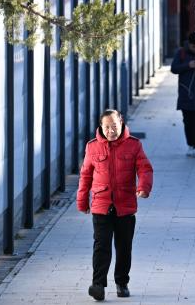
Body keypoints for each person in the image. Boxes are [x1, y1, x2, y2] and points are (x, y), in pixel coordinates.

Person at [77, 109, 153, 301]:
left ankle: (122, 282)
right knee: (101, 246)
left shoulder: (134, 145)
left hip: (125, 205)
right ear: (101, 127)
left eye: (114, 126)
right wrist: (82, 200)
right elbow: (85, 175)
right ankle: (98, 285)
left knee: (124, 247)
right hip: (101, 205)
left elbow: (144, 169)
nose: (111, 131)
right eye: (107, 127)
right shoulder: (92, 147)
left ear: (121, 123)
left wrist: (143, 187)